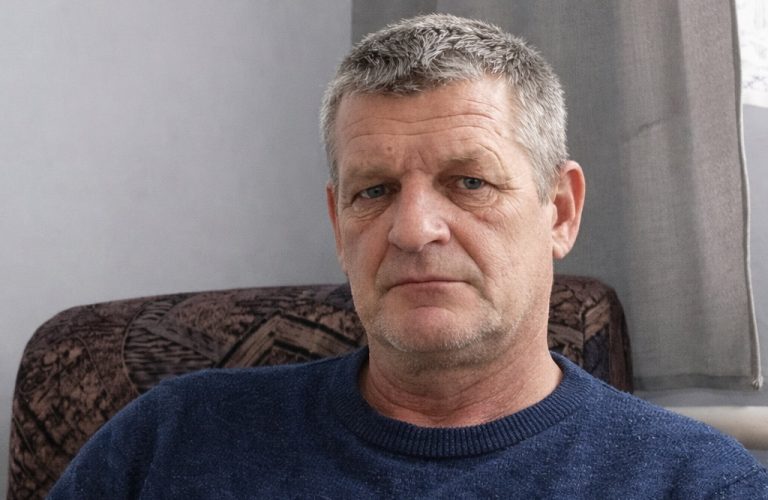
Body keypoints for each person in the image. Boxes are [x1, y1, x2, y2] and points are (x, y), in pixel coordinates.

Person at [49, 13, 767, 498]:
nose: (413, 229)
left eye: (470, 182)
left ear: (560, 210)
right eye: (374, 190)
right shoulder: (169, 441)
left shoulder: (697, 483)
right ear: (339, 224)